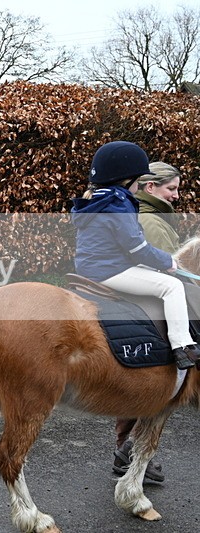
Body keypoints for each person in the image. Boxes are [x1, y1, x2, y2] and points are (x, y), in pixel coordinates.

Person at [71, 141, 200, 372]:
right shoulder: (120, 203)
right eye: (139, 181)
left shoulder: (98, 199)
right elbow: (137, 248)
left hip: (91, 267)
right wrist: (167, 261)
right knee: (171, 287)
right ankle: (183, 346)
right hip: (111, 270)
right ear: (127, 179)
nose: (139, 186)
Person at [112, 161, 183, 483]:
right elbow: (170, 269)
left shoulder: (144, 213)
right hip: (148, 301)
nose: (177, 195)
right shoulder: (152, 220)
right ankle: (130, 448)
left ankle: (127, 448)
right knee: (165, 368)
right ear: (151, 187)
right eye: (172, 188)